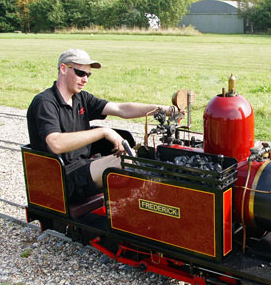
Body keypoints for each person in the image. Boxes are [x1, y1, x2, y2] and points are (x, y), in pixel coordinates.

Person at [27, 48, 170, 202]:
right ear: (63, 68)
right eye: (80, 73)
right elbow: (55, 143)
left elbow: (121, 109)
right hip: (61, 178)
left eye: (88, 75)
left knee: (141, 158)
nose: (85, 79)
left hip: (83, 166)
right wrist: (104, 132)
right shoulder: (45, 103)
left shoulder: (81, 98)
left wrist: (165, 110)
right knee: (126, 163)